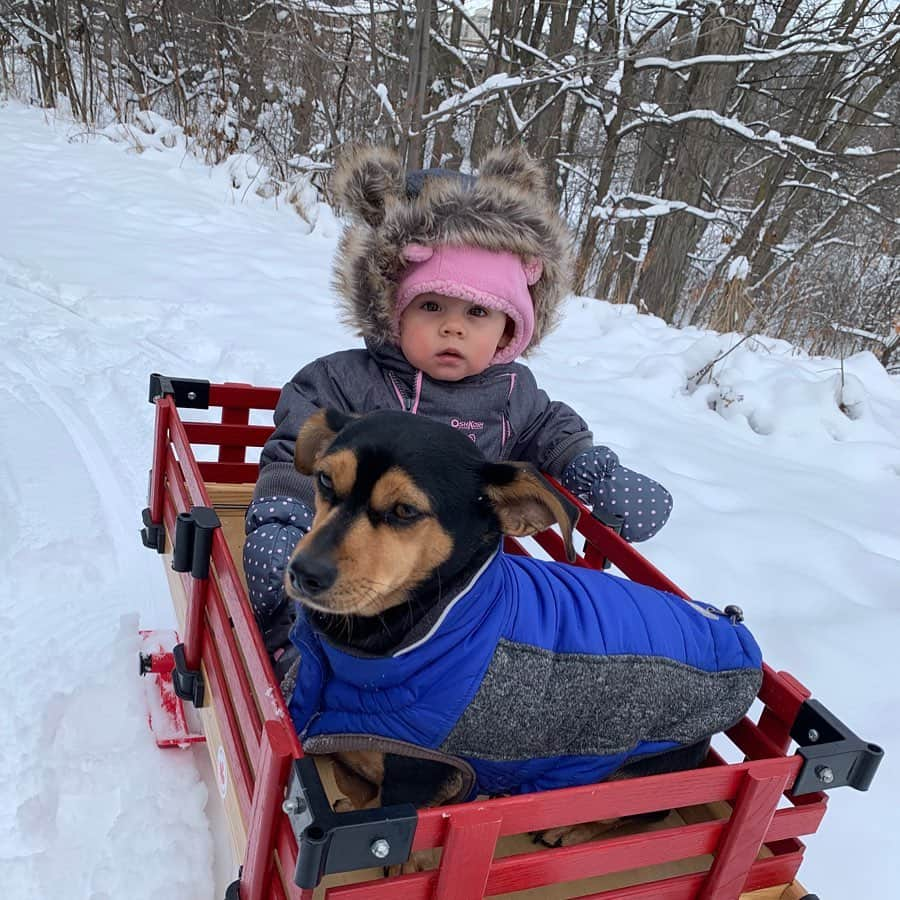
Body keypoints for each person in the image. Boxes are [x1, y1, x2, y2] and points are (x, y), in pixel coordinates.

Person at [244, 145, 673, 677]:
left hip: (451, 583)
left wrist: (594, 472)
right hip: (344, 561)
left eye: (477, 312)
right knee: (293, 602)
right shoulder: (345, 380)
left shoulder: (513, 393)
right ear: (390, 308)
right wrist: (283, 523)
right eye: (431, 306)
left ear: (511, 327)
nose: (454, 327)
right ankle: (290, 654)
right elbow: (293, 456)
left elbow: (551, 431)